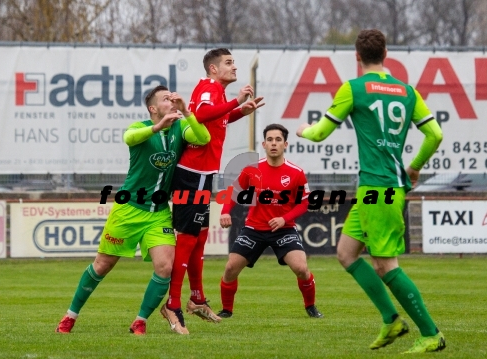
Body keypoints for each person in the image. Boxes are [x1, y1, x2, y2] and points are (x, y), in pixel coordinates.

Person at [296, 29, 446, 353]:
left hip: (381, 188)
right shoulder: (407, 91)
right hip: (376, 186)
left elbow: (320, 133)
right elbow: (434, 134)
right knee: (346, 253)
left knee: (385, 265)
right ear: (386, 53)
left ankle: (431, 332)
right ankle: (390, 319)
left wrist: (304, 131)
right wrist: (415, 166)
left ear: (357, 56)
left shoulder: (354, 88)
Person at [55, 85, 210, 336]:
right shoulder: (139, 128)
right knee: (102, 265)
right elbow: (129, 138)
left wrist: (187, 111)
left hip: (158, 211)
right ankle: (70, 315)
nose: (172, 101)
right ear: (153, 109)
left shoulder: (181, 128)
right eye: (166, 99)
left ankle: (140, 321)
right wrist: (157, 128)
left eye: (173, 97)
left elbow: (203, 138)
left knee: (164, 267)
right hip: (129, 209)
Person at [162, 48, 264, 331]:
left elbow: (214, 120)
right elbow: (204, 113)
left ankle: (197, 299)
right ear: (213, 69)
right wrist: (237, 100)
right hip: (191, 175)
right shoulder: (209, 87)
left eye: (234, 62)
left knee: (200, 237)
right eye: (228, 63)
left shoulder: (216, 91)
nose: (234, 67)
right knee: (187, 239)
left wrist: (239, 112)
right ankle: (173, 305)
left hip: (204, 174)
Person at [217, 123, 323, 319]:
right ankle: (226, 311)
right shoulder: (252, 170)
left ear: (286, 145)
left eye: (278, 140)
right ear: (264, 144)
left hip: (284, 229)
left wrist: (285, 218)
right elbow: (232, 192)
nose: (274, 144)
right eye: (270, 140)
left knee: (301, 268)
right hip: (254, 229)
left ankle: (311, 307)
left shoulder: (296, 172)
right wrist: (225, 212)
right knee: (231, 268)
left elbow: (305, 202)